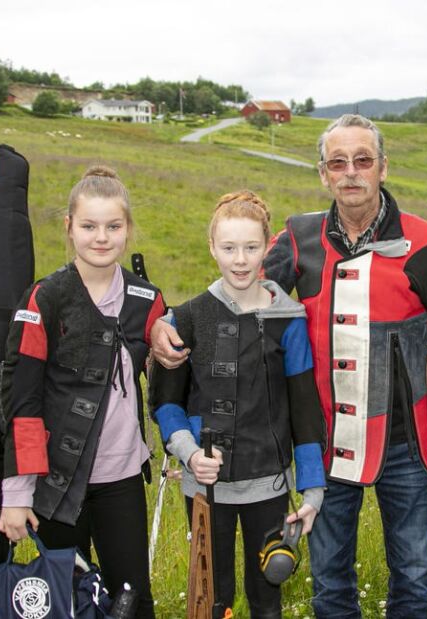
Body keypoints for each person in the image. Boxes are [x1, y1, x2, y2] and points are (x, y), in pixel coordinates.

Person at [152, 114, 427, 619]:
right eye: (338, 162)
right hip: (327, 444)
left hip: (408, 447)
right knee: (329, 585)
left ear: (383, 167)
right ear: (323, 173)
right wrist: (163, 323)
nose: (351, 172)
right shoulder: (299, 237)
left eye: (363, 160)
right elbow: (239, 302)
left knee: (414, 584)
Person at [149, 190, 326, 619]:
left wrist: (314, 488)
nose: (240, 260)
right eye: (229, 248)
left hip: (269, 485)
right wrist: (190, 454)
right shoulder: (187, 318)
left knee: (268, 590)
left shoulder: (290, 321)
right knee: (213, 595)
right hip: (205, 488)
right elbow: (165, 404)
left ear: (267, 246)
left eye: (250, 247)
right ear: (212, 248)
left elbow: (304, 411)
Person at [0, 165, 164, 618]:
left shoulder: (147, 301)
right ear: (70, 228)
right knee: (62, 601)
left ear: (128, 230)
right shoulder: (45, 299)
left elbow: (167, 381)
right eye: (89, 226)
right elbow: (23, 401)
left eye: (113, 226)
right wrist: (16, 494)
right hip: (55, 484)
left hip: (122, 480)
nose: (101, 237)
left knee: (131, 600)